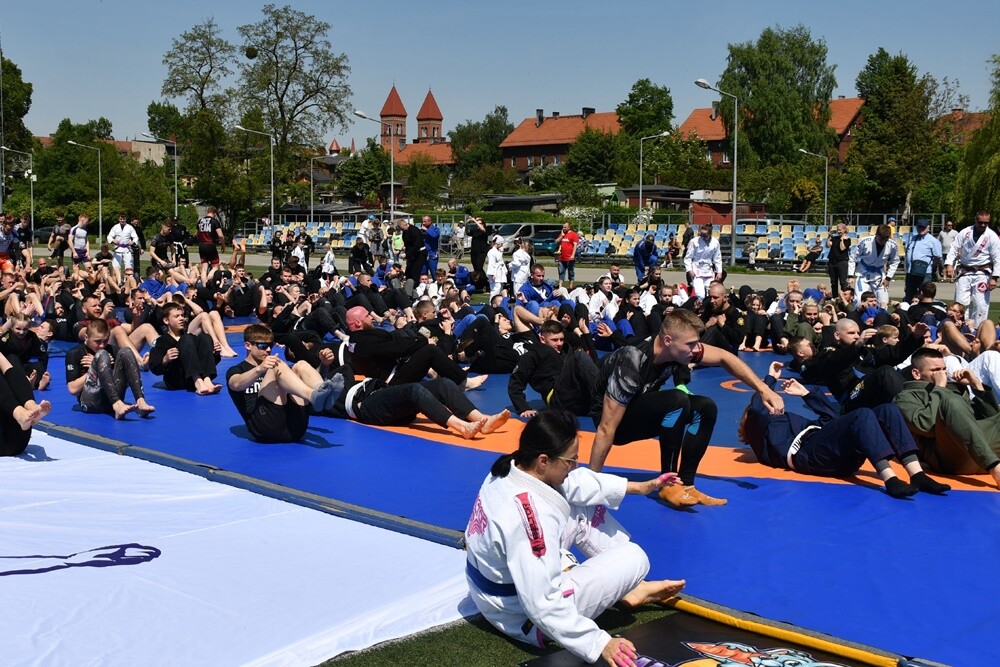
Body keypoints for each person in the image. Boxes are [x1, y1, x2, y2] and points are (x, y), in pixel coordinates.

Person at [464, 409, 686, 667]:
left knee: (583, 505)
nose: (574, 466)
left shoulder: (512, 468)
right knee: (635, 557)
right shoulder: (529, 519)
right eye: (570, 461)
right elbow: (542, 603)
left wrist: (641, 487)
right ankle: (630, 584)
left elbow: (576, 483)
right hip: (520, 615)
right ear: (544, 460)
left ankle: (628, 586)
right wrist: (599, 642)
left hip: (500, 585)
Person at [589, 309, 785, 508]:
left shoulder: (678, 349)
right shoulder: (632, 361)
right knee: (677, 399)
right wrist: (590, 485)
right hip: (616, 424)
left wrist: (764, 389)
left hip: (638, 409)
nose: (696, 349)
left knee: (705, 407)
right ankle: (669, 485)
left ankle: (686, 484)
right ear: (668, 340)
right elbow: (606, 428)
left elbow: (724, 357)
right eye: (690, 344)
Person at [740, 361, 950, 498]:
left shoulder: (795, 422)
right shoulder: (763, 433)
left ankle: (917, 474)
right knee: (862, 414)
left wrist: (806, 394)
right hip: (810, 456)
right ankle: (890, 479)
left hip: (832, 453)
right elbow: (757, 409)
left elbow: (833, 419)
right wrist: (769, 382)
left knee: (887, 410)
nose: (771, 405)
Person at [893, 347, 1000, 489]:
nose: (942, 374)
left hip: (980, 449)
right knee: (952, 402)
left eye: (944, 369)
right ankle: (995, 468)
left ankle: (991, 461)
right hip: (951, 458)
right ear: (916, 374)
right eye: (936, 370)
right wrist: (940, 389)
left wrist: (976, 385)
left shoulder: (953, 389)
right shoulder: (905, 397)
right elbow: (926, 427)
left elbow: (992, 419)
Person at [323, 362, 510, 439]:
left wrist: (324, 365)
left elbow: (344, 371)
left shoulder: (338, 374)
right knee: (414, 390)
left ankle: (481, 420)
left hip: (380, 394)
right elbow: (315, 400)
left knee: (443, 384)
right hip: (366, 406)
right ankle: (462, 427)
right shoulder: (317, 398)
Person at [226, 324, 338, 443]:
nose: (268, 350)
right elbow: (236, 384)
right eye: (263, 346)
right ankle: (313, 396)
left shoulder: (279, 369)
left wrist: (324, 364)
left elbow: (304, 383)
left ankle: (322, 393)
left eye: (270, 345)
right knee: (276, 365)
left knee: (301, 365)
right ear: (248, 345)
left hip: (295, 429)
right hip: (266, 428)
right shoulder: (237, 370)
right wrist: (260, 369)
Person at [65, 319, 154, 420]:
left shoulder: (112, 349)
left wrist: (108, 367)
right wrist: (95, 367)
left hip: (111, 399)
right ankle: (117, 404)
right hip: (91, 402)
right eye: (97, 341)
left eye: (105, 340)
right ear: (86, 337)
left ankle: (140, 401)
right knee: (102, 354)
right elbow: (73, 389)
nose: (102, 345)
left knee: (126, 351)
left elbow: (126, 378)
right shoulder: (74, 353)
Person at [148, 302, 221, 395]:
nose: (181, 318)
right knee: (187, 338)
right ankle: (197, 381)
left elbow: (204, 360)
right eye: (177, 316)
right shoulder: (161, 341)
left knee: (205, 337)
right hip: (177, 380)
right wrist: (165, 360)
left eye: (182, 315)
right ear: (166, 320)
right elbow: (154, 368)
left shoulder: (191, 338)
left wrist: (215, 353)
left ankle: (207, 380)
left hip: (194, 379)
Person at [943, 210, 1000, 327]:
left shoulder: (992, 236)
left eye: (986, 223)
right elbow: (954, 248)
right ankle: (960, 327)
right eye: (980, 222)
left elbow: (997, 258)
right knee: (960, 303)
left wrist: (995, 277)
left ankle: (978, 329)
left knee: (981, 304)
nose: (983, 225)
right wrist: (949, 264)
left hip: (982, 274)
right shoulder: (965, 232)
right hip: (965, 272)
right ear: (975, 220)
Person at [0, 351, 51, 456]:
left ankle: (31, 407)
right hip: (8, 444)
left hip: (18, 437)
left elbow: (9, 369)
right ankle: (20, 413)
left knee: (13, 369)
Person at [851, 223, 899, 309]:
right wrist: (850, 275)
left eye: (885, 240)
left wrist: (888, 278)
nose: (882, 242)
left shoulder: (892, 245)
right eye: (880, 239)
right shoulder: (865, 241)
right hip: (863, 273)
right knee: (859, 300)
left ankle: (881, 316)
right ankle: (858, 316)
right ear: (876, 234)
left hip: (879, 275)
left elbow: (895, 261)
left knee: (883, 301)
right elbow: (852, 257)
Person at [903, 218, 943, 303]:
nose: (921, 229)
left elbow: (937, 257)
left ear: (928, 228)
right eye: (919, 227)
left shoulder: (933, 241)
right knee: (909, 296)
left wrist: (932, 268)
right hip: (910, 273)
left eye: (923, 227)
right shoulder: (911, 239)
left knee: (924, 296)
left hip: (925, 273)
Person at [683, 223, 722, 299]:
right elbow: (688, 258)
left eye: (705, 235)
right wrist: (689, 270)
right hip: (696, 270)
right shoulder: (694, 242)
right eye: (701, 234)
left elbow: (717, 258)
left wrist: (719, 271)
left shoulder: (715, 242)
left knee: (711, 293)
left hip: (709, 270)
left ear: (710, 233)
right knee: (700, 294)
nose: (702, 237)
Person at [826, 221, 851, 292]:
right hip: (832, 261)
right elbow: (828, 245)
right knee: (833, 282)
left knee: (843, 282)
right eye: (837, 230)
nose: (838, 231)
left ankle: (844, 295)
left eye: (840, 230)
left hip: (842, 262)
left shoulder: (847, 239)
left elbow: (842, 248)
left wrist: (842, 239)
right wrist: (829, 236)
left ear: (844, 230)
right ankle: (835, 296)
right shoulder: (834, 238)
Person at [555, 222, 579, 289]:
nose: (564, 228)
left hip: (570, 257)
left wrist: (573, 255)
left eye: (565, 227)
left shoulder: (573, 234)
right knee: (561, 272)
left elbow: (575, 245)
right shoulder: (562, 234)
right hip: (562, 257)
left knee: (571, 272)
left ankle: (570, 286)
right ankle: (560, 286)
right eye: (563, 227)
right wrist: (562, 236)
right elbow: (556, 241)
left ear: (569, 227)